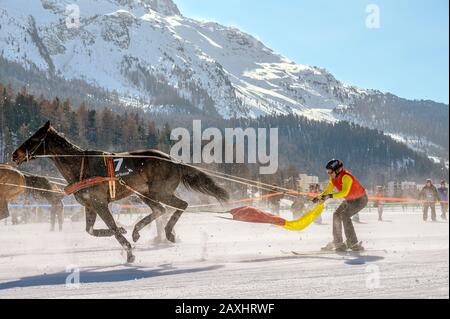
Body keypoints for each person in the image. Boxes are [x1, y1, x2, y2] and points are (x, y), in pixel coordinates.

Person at [314, 159, 368, 252]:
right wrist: (319, 198)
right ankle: (338, 242)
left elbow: (344, 192)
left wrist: (329, 196)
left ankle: (352, 243)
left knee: (345, 215)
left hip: (360, 200)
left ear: (337, 170)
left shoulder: (346, 177)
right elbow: (327, 191)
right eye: (327, 172)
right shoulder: (333, 179)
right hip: (350, 200)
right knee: (336, 214)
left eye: (330, 171)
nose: (329, 174)